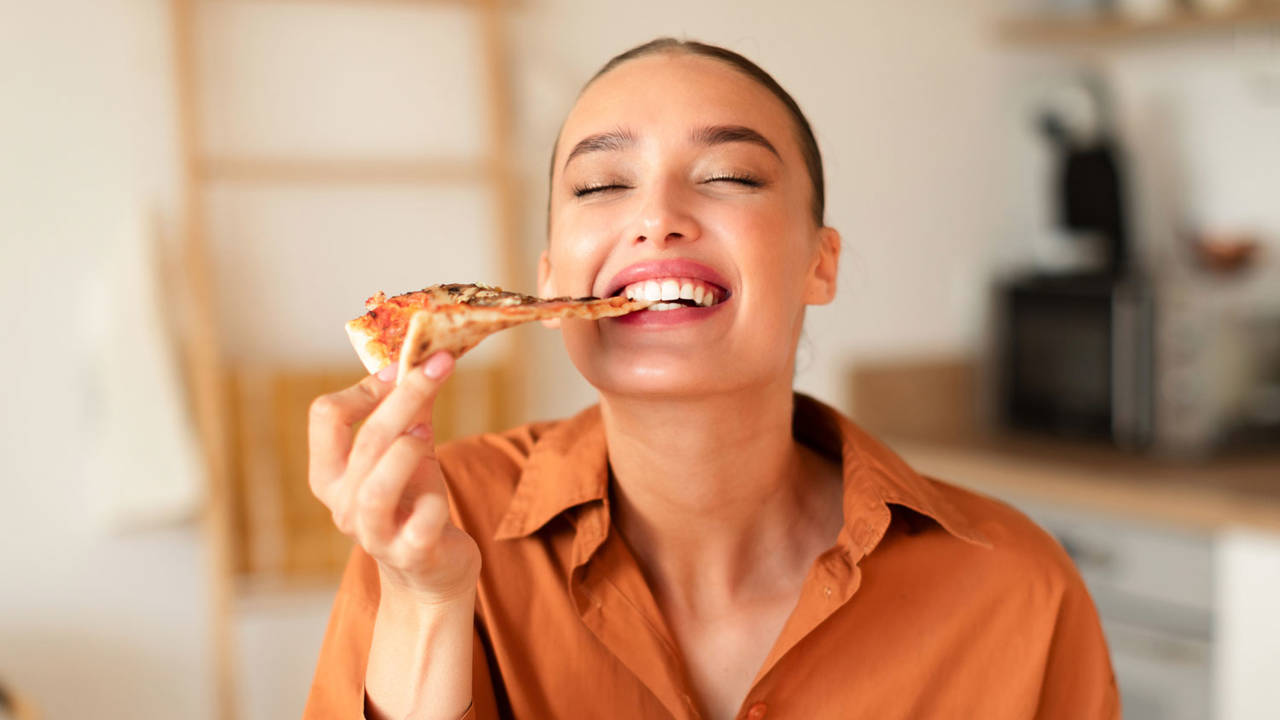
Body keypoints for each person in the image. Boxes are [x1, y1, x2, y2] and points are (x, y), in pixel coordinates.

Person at [304, 38, 1119, 720]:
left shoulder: (1017, 587)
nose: (658, 215)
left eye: (729, 175)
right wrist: (427, 601)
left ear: (818, 263)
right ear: (551, 286)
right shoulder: (433, 528)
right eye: (600, 185)